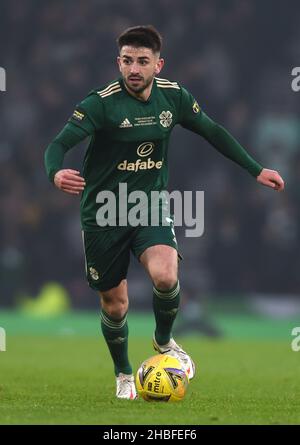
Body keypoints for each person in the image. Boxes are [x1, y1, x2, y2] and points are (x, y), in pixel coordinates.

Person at [44, 25, 285, 400]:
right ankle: (124, 373)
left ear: (159, 63)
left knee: (166, 276)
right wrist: (55, 172)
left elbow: (213, 131)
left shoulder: (173, 97)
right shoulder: (100, 103)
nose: (134, 69)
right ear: (118, 62)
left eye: (142, 61)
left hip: (148, 205)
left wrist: (256, 169)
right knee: (115, 302)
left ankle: (164, 341)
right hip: (104, 212)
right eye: (127, 61)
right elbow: (59, 144)